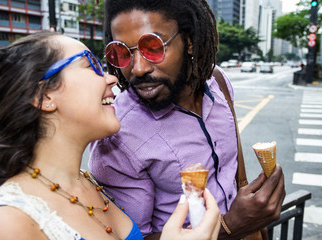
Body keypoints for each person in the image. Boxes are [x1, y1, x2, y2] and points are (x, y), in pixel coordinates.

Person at [0, 31, 221, 240]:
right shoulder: (6, 221)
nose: (111, 78)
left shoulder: (88, 182)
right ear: (44, 96)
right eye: (92, 66)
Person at [89, 0, 286, 239]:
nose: (138, 68)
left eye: (152, 47)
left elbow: (233, 176)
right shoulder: (118, 134)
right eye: (122, 53)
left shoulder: (219, 83)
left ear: (189, 42)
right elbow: (130, 236)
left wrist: (256, 217)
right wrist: (230, 227)